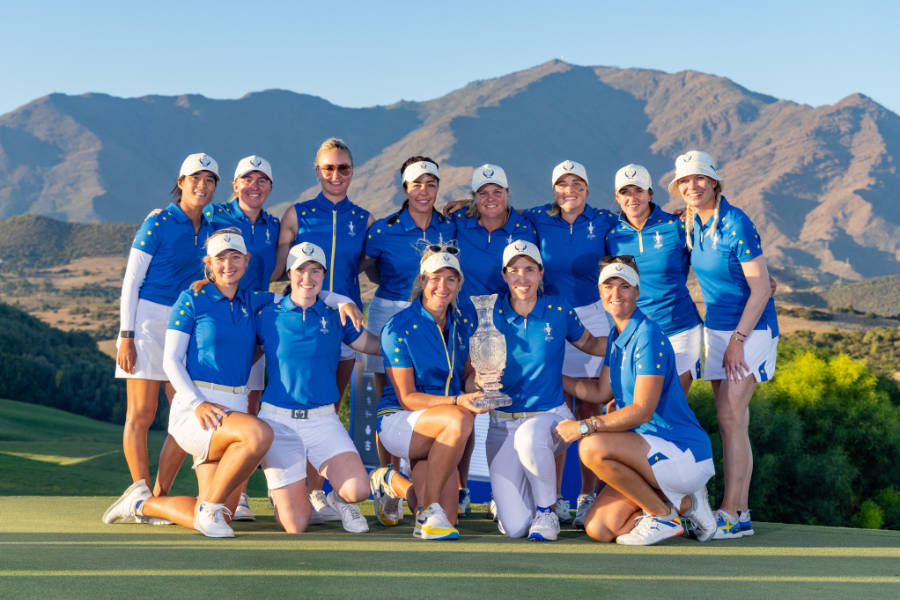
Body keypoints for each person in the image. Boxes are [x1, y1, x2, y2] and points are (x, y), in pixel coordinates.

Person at [102, 229, 274, 537]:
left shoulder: (254, 301)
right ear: (209, 263)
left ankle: (141, 504)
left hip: (231, 413)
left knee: (224, 513)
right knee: (260, 435)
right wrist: (198, 403)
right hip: (198, 412)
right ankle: (206, 509)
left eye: (236, 257)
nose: (228, 264)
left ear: (246, 261)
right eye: (220, 258)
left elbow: (303, 295)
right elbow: (171, 361)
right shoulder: (192, 298)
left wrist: (341, 302)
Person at [555, 256, 717, 545]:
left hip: (680, 451)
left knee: (591, 445)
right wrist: (551, 377)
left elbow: (643, 411)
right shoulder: (617, 337)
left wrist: (583, 426)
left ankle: (662, 516)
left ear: (637, 292)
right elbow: (599, 393)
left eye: (624, 286)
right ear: (600, 292)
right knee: (600, 528)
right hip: (648, 455)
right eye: (608, 286)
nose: (616, 294)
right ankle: (686, 505)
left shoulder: (648, 335)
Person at [671, 150, 778, 539]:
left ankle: (734, 512)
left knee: (731, 420)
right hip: (715, 329)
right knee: (732, 421)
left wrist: (738, 341)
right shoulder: (691, 222)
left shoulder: (737, 222)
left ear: (714, 182)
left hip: (748, 331)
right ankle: (738, 509)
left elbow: (761, 287)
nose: (692, 186)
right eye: (685, 181)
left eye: (699, 179)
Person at [112, 153, 218, 514]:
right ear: (181, 181)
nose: (201, 186)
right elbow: (131, 280)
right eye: (195, 179)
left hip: (182, 325)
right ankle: (138, 490)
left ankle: (159, 493)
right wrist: (126, 334)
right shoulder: (157, 222)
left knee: (186, 411)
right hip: (144, 322)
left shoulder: (211, 226)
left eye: (209, 181)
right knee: (141, 413)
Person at [275, 138, 374, 521]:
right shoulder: (296, 215)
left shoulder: (364, 220)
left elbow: (373, 266)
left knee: (328, 407)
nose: (336, 175)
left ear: (352, 171)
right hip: (301, 328)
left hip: (346, 326)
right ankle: (287, 488)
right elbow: (275, 272)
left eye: (344, 168)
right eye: (329, 168)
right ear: (317, 171)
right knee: (292, 400)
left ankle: (316, 491)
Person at [255, 242, 382, 534]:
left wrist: (411, 341)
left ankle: (339, 499)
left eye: (316, 271)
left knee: (358, 489)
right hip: (279, 422)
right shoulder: (268, 313)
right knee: (295, 525)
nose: (308, 278)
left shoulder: (336, 315)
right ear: (289, 273)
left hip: (324, 421)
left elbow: (371, 345)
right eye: (301, 270)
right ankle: (286, 496)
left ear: (324, 276)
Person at [486, 240, 607, 541]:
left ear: (541, 273)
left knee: (530, 437)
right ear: (504, 275)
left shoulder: (557, 308)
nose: (522, 278)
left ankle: (547, 512)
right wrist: (478, 380)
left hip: (550, 418)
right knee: (515, 527)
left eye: (529, 270)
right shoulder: (490, 312)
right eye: (514, 271)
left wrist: (628, 335)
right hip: (501, 424)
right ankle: (529, 506)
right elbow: (468, 376)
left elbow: (590, 344)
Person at [440, 163, 538, 518]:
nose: (490, 198)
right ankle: (461, 487)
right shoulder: (459, 223)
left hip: (506, 328)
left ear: (508, 194)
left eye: (497, 191)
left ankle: (505, 490)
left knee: (502, 410)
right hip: (461, 328)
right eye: (483, 193)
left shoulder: (528, 225)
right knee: (465, 406)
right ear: (474, 197)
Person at [524, 159, 618, 526]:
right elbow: (501, 212)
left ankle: (588, 494)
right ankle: (556, 497)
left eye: (577, 183)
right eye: (562, 184)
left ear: (587, 188)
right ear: (553, 190)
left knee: (591, 408)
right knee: (554, 409)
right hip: (552, 315)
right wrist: (458, 205)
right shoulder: (536, 219)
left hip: (594, 315)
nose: (569, 190)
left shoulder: (604, 220)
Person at [362, 156, 456, 526]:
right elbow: (369, 266)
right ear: (405, 189)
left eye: (431, 184)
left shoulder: (450, 226)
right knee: (390, 394)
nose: (424, 191)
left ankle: (421, 475)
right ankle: (388, 481)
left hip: (435, 305)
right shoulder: (384, 229)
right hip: (391, 310)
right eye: (417, 184)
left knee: (430, 389)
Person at [372, 246, 488, 540]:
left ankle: (390, 481)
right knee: (461, 419)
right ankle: (427, 512)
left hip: (442, 425)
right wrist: (459, 400)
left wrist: (479, 383)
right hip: (401, 421)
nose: (443, 286)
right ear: (422, 280)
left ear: (459, 284)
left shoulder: (463, 323)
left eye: (451, 279)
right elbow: (407, 397)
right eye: (436, 278)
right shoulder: (398, 327)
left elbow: (467, 376)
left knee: (447, 520)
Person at [203, 154, 280, 521]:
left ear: (270, 188)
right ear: (234, 185)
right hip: (217, 321)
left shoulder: (274, 225)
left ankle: (241, 492)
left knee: (249, 405)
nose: (254, 186)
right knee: (205, 404)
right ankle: (156, 493)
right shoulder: (214, 216)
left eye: (262, 181)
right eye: (247, 180)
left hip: (254, 322)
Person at [604, 164, 703, 396]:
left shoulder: (676, 226)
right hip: (635, 333)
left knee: (672, 403)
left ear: (649, 193)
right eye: (625, 192)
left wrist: (752, 277)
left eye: (638, 190)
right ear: (617, 197)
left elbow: (711, 259)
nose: (632, 198)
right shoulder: (612, 236)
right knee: (631, 405)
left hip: (680, 329)